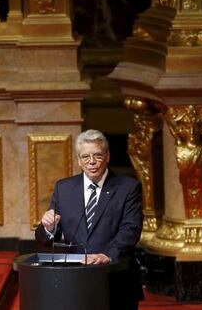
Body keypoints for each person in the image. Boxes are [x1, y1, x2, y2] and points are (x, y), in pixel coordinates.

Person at [35, 129, 144, 309]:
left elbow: (131, 229)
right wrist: (48, 227)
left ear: (107, 156)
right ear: (79, 160)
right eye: (85, 157)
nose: (92, 162)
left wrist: (107, 254)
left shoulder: (128, 188)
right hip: (74, 281)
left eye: (97, 155)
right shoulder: (64, 188)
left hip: (115, 278)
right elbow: (47, 238)